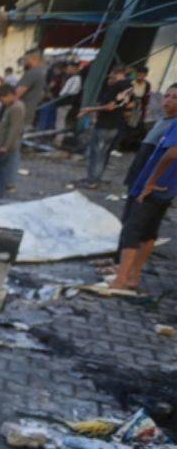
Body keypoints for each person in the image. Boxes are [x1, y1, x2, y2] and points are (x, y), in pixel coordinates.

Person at [111, 95, 176, 291]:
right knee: (149, 232)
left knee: (133, 229)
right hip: (167, 188)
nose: (168, 101)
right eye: (168, 96)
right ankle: (133, 276)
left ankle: (121, 280)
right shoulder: (167, 122)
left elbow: (172, 153)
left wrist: (151, 181)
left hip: (155, 186)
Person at [79, 65, 134, 188]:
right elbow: (128, 105)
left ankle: (92, 181)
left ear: (115, 73)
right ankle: (95, 179)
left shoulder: (116, 86)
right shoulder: (129, 86)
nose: (110, 77)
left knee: (96, 155)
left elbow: (110, 106)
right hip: (115, 125)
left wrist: (89, 109)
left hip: (105, 124)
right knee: (103, 154)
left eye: (111, 74)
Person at [14, 50, 46, 129]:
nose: (24, 62)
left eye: (26, 59)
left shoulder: (33, 73)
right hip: (28, 111)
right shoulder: (41, 72)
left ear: (33, 59)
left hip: (21, 112)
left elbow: (17, 94)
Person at [57, 61, 83, 130]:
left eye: (69, 67)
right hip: (63, 102)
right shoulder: (71, 78)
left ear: (74, 68)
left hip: (66, 102)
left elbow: (72, 92)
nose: (68, 69)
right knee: (60, 121)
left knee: (60, 122)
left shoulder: (77, 79)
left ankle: (59, 139)